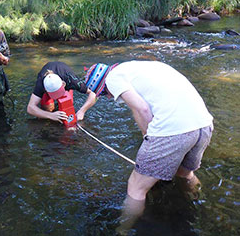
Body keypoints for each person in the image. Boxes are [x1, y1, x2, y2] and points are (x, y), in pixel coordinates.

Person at [83, 61, 213, 228]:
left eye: (104, 93)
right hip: (203, 124)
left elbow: (143, 109)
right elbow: (142, 108)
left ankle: (122, 230)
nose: (108, 96)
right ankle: (199, 208)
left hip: (174, 130)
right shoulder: (138, 67)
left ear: (103, 83)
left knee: (136, 188)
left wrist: (151, 141)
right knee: (185, 173)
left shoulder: (113, 78)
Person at [27, 61, 97, 123]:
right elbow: (30, 108)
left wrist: (82, 111)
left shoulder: (72, 81)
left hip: (65, 76)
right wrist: (50, 115)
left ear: (63, 84)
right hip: (47, 82)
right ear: (45, 90)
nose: (57, 97)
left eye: (58, 93)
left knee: (68, 109)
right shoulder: (41, 84)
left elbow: (94, 93)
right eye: (54, 95)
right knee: (47, 109)